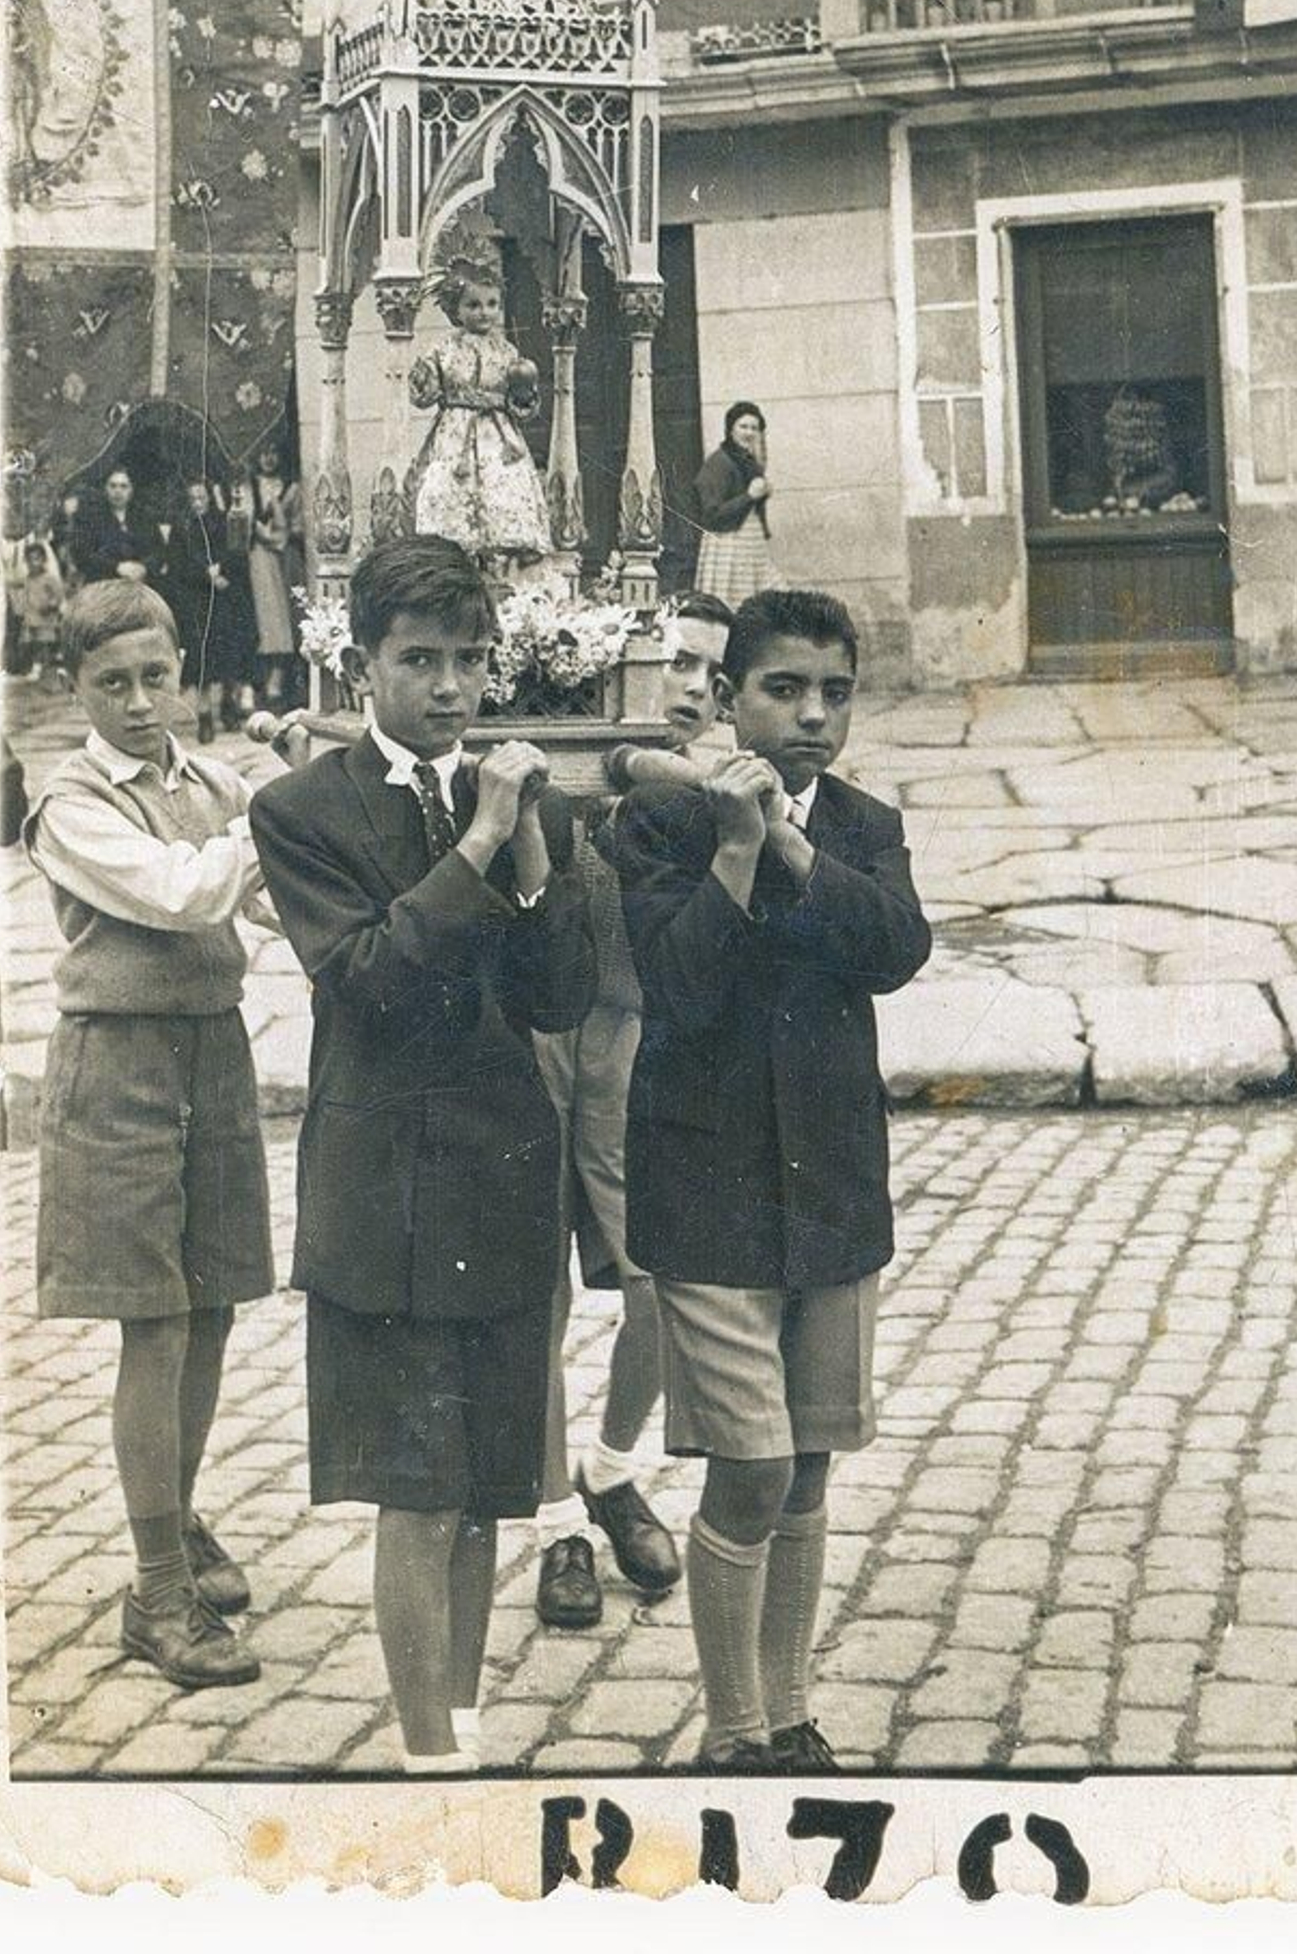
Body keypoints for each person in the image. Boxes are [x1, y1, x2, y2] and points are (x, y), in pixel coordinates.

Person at [249, 536, 597, 1773]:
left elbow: (561, 997)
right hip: (385, 1188)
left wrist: (535, 849)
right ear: (362, 667)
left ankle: (464, 1725)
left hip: (501, 1170)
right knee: (418, 1483)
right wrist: (476, 846)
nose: (451, 688)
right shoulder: (299, 810)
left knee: (489, 1487)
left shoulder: (510, 798)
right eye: (420, 661)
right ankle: (423, 1744)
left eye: (470, 660)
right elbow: (369, 979)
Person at [611, 587, 933, 1772]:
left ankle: (789, 1717)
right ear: (731, 697)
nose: (810, 717)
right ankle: (732, 1730)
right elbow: (682, 987)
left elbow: (895, 947)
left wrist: (793, 843)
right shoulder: (657, 822)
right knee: (746, 1462)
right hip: (709, 1187)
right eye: (783, 691)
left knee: (805, 1464)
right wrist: (738, 851)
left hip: (831, 1186)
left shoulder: (862, 823)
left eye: (833, 693)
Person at [25, 581, 307, 1691]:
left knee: (215, 1303)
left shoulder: (210, 780)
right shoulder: (69, 803)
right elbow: (189, 892)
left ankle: (177, 1520)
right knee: (152, 1325)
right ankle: (153, 1592)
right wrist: (277, 816)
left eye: (156, 677)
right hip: (120, 1067)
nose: (141, 704)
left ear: (182, 669)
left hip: (213, 1052)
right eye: (112, 684)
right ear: (74, 688)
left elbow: (272, 896)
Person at [530, 591, 737, 1629]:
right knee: (534, 1294)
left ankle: (610, 1469)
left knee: (660, 1284)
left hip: (637, 1051)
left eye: (711, 671)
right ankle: (554, 1521)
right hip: (532, 1045)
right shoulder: (580, 749)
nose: (691, 687)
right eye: (677, 662)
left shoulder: (717, 786)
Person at [407, 252, 553, 575]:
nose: (483, 312)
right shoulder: (444, 348)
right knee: (448, 494)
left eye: (491, 304)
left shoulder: (506, 350)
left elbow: (521, 407)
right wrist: (423, 377)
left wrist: (523, 391)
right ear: (455, 309)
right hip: (456, 434)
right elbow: (424, 395)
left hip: (498, 437)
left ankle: (496, 568)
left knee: (502, 493)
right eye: (473, 305)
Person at [162, 477, 260, 741]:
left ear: (209, 498)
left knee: (228, 652)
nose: (197, 503)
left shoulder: (223, 522)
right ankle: (204, 713)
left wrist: (222, 572)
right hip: (197, 599)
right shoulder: (182, 529)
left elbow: (238, 554)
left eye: (201, 498)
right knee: (201, 658)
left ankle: (229, 704)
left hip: (225, 597)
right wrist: (205, 573)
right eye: (192, 499)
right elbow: (176, 565)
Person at [235, 442, 306, 708]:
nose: (268, 458)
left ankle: (277, 684)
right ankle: (256, 687)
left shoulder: (291, 488)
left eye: (274, 452)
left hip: (283, 560)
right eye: (263, 453)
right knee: (262, 621)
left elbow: (298, 526)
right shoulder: (248, 487)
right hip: (256, 559)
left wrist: (282, 534)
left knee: (283, 621)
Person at [693, 404, 774, 606]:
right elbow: (711, 515)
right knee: (732, 602)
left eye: (754, 428)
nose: (749, 433)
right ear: (731, 429)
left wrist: (762, 494)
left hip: (749, 543)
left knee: (756, 597)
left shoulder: (747, 460)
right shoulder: (718, 463)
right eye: (743, 426)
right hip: (727, 543)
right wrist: (749, 496)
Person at [70, 467, 161, 588]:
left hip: (140, 586)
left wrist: (144, 567)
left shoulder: (144, 519)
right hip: (102, 587)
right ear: (105, 489)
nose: (118, 491)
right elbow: (82, 555)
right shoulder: (90, 519)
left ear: (131, 490)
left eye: (124, 486)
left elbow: (160, 551)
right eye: (112, 486)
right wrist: (117, 567)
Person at [14, 537, 66, 683]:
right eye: (29, 560)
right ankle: (38, 669)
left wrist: (51, 604)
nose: (33, 563)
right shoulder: (27, 579)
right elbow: (25, 597)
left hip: (45, 618)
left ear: (43, 560)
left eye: (37, 559)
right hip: (31, 618)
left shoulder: (49, 578)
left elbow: (58, 595)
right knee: (33, 644)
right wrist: (22, 611)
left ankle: (41, 670)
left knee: (43, 644)